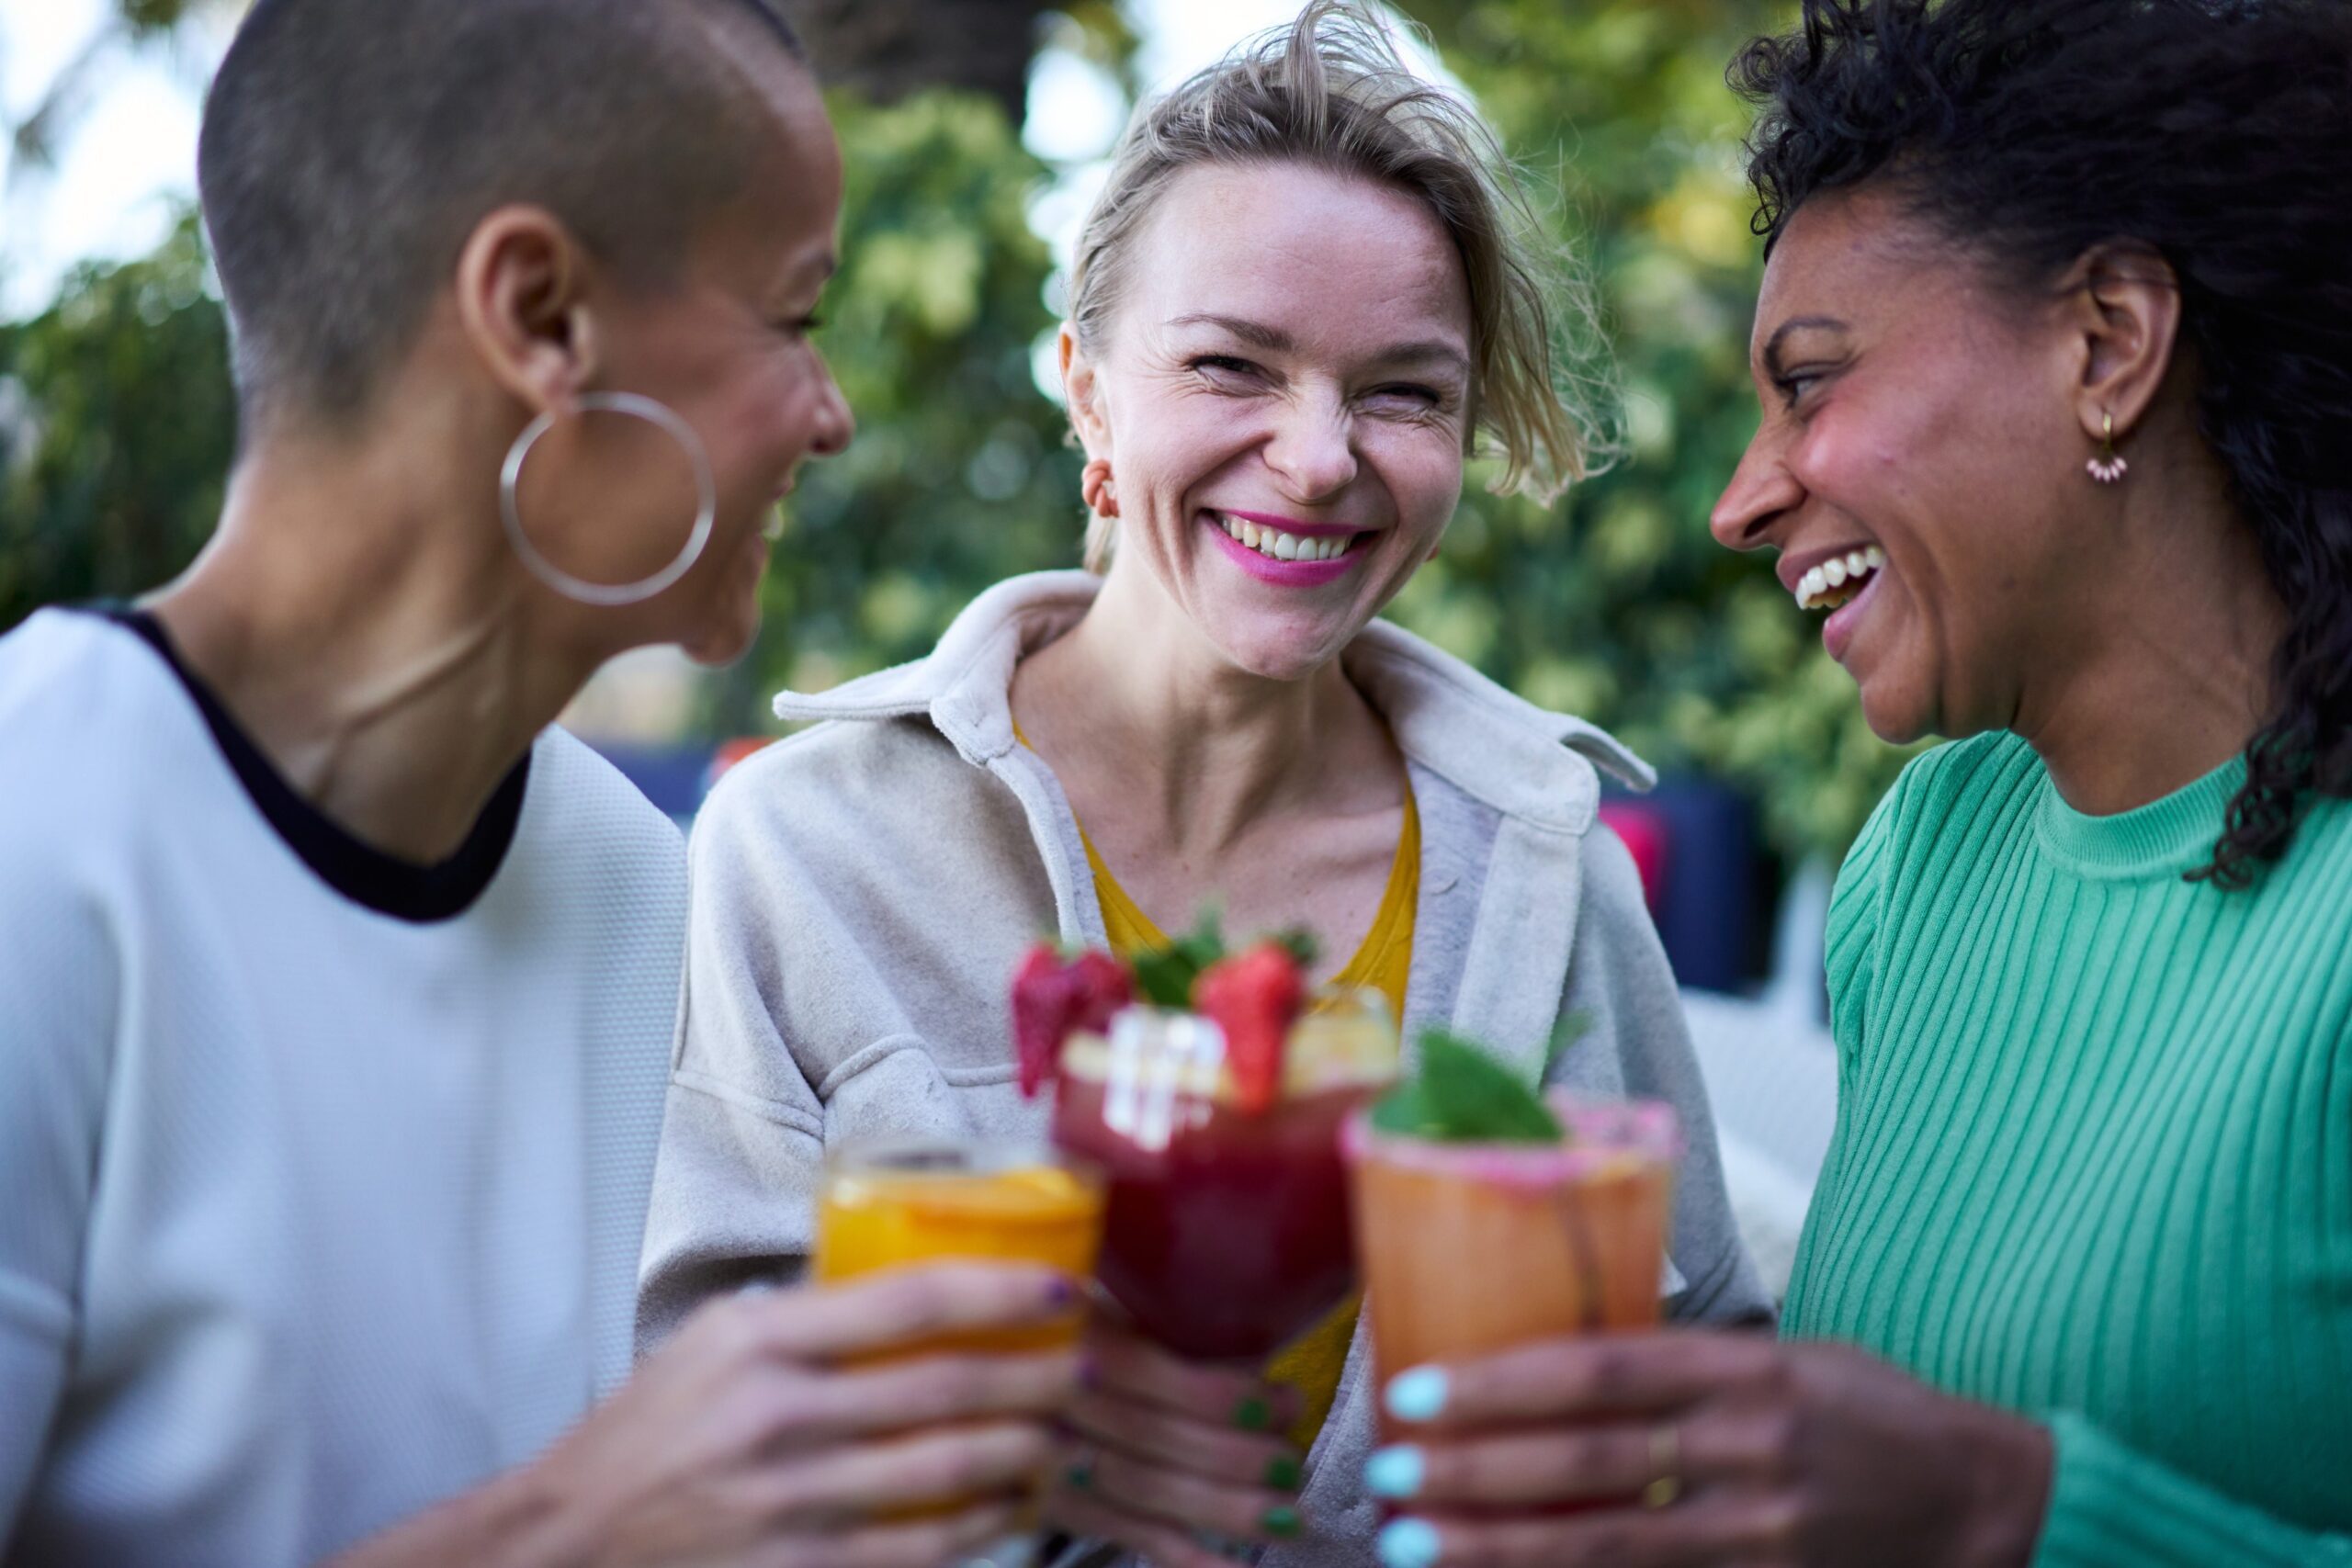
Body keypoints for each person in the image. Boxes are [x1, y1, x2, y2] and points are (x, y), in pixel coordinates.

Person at [636, 5, 1770, 1565]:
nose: (1318, 458)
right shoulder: (808, 851)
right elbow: (673, 1457)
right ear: (1089, 393)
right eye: (1234, 365)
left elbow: (1713, 1405)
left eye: (1404, 392)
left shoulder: (1550, 873)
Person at [0, 2, 1084, 1564]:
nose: (831, 414)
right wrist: (569, 1531)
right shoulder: (43, 836)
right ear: (542, 317)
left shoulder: (618, 870)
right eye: (795, 318)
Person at [1351, 2, 2352, 1564]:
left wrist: (2003, 1507)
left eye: (1809, 384)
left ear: (2107, 343)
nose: (1741, 503)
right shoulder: (1926, 863)